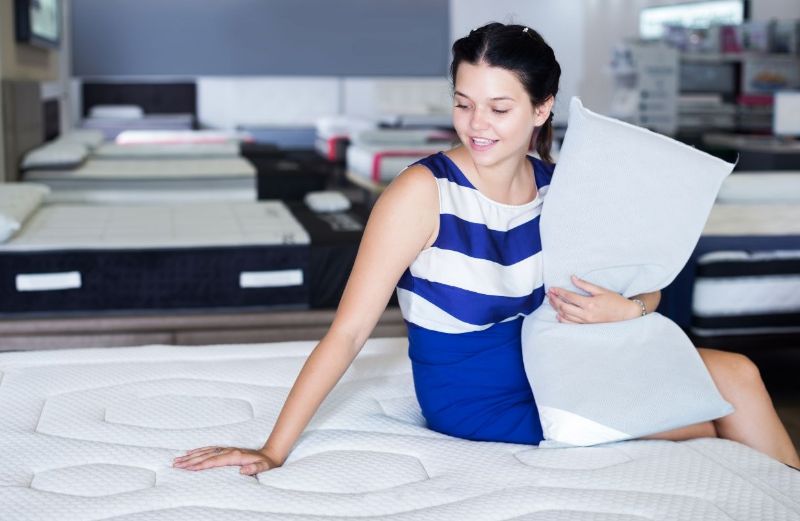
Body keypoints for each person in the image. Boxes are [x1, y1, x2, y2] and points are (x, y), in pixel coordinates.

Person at [174, 23, 800, 473]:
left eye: (500, 108)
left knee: (739, 375)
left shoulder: (559, 188)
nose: (477, 125)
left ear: (541, 108)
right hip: (474, 390)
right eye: (464, 103)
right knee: (709, 416)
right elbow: (347, 333)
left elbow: (644, 282)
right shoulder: (422, 194)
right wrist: (273, 448)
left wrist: (628, 310)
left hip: (552, 357)